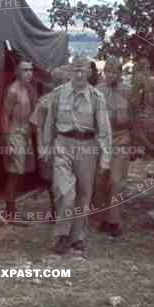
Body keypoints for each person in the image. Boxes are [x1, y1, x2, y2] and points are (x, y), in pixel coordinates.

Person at [42, 56, 112, 255]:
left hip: (87, 146)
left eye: (83, 71)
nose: (79, 75)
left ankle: (78, 237)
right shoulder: (58, 94)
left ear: (89, 73)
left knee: (83, 194)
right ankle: (62, 235)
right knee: (65, 193)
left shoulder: (97, 97)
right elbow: (50, 123)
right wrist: (46, 148)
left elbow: (104, 130)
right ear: (70, 71)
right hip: (63, 144)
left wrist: (105, 159)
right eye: (76, 70)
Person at [92, 56, 133, 237]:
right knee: (101, 181)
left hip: (121, 141)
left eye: (114, 71)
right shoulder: (97, 90)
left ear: (120, 73)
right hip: (101, 143)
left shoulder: (128, 91)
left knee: (117, 181)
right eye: (107, 70)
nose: (110, 74)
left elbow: (135, 119)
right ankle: (102, 218)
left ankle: (114, 221)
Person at [29, 65, 72, 222]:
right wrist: (41, 147)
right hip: (51, 146)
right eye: (64, 80)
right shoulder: (46, 101)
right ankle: (56, 211)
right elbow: (38, 126)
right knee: (52, 181)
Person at [1, 60, 36, 220]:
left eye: (30, 70)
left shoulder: (27, 89)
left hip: (24, 135)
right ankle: (9, 211)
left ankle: (12, 208)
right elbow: (4, 115)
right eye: (25, 70)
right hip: (14, 133)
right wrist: (7, 142)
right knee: (15, 173)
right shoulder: (13, 90)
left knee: (21, 172)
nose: (29, 73)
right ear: (17, 71)